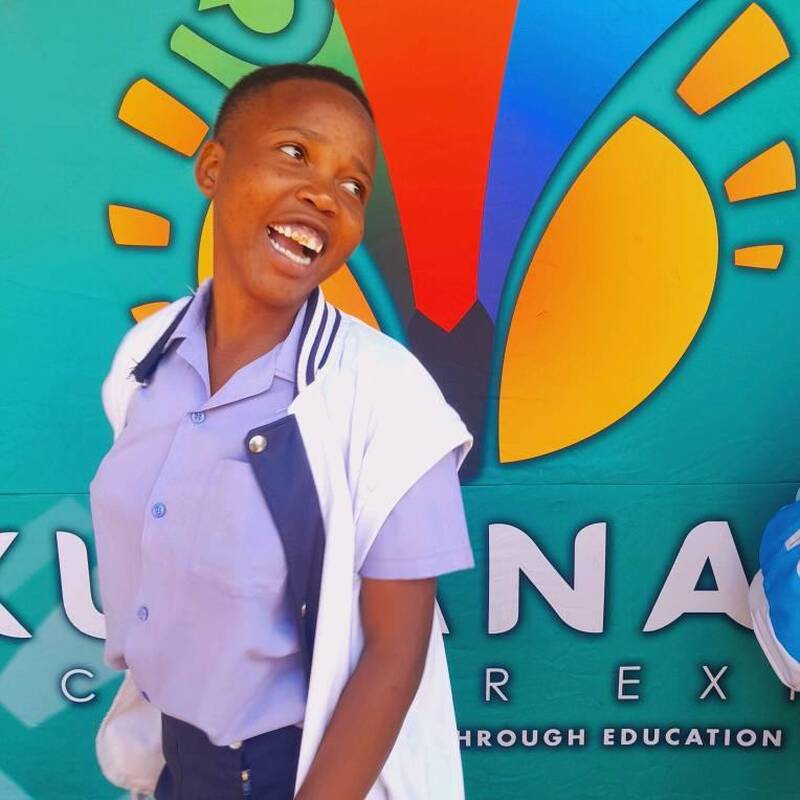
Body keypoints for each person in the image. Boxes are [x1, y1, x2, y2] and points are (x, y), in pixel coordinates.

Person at [88, 63, 475, 799]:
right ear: (212, 166)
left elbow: (396, 653)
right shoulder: (146, 359)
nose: (324, 195)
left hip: (292, 775)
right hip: (177, 764)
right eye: (295, 152)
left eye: (353, 185)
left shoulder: (389, 397)